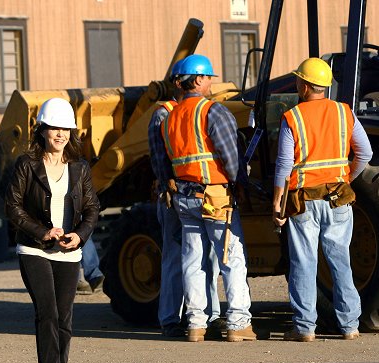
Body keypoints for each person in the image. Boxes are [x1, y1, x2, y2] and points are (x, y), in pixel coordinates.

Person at [5, 97, 100, 363]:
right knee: (47, 314)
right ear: (42, 129)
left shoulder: (80, 167)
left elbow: (91, 209)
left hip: (69, 253)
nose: (60, 134)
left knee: (64, 319)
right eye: (54, 128)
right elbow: (13, 206)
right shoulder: (26, 165)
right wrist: (41, 231)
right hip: (34, 250)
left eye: (66, 129)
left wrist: (80, 235)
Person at [155, 54, 255, 342]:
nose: (211, 82)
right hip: (216, 197)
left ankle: (196, 323)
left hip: (185, 199)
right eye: (209, 77)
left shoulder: (169, 117)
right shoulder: (213, 111)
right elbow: (231, 158)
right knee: (231, 259)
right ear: (198, 79)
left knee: (193, 260)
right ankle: (238, 323)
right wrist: (241, 186)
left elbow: (163, 164)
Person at [272, 57, 371, 342]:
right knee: (340, 260)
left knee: (303, 261)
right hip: (337, 199)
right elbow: (364, 153)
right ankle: (350, 325)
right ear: (325, 86)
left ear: (303, 86)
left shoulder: (293, 117)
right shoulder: (343, 112)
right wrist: (346, 179)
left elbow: (283, 164)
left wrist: (277, 201)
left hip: (303, 200)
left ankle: (304, 328)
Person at [148, 58, 224, 338]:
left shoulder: (185, 112)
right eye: (206, 78)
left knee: (207, 258)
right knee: (176, 256)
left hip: (192, 194)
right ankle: (170, 317)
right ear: (191, 81)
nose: (210, 83)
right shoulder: (165, 113)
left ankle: (207, 316)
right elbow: (159, 160)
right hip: (176, 196)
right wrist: (168, 188)